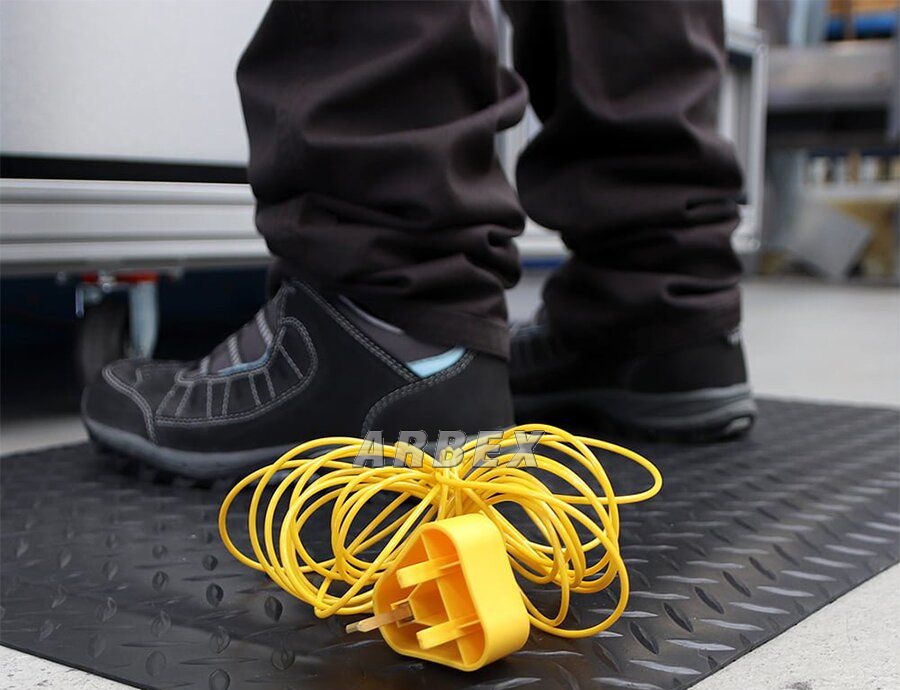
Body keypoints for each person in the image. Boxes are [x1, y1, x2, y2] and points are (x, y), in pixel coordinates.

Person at [82, 0, 755, 481]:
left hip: (391, 306)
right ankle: (662, 301)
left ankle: (392, 315)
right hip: (674, 291)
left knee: (397, 283)